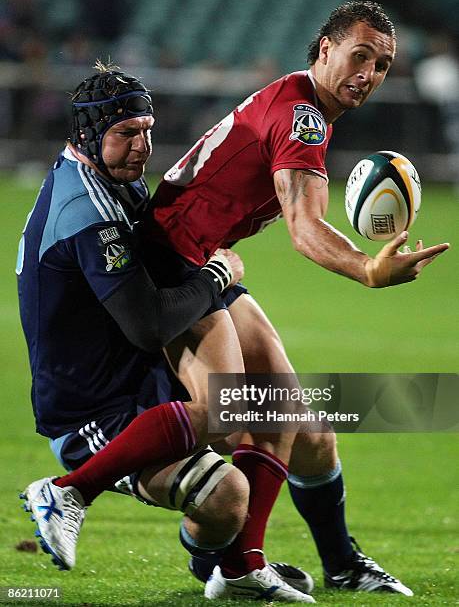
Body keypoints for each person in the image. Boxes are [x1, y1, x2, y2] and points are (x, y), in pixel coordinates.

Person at [139, 0, 449, 599]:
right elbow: (305, 228)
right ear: (326, 49)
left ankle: (334, 563)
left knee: (309, 429)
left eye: (383, 65)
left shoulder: (300, 104)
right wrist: (368, 268)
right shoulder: (303, 114)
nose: (370, 74)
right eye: (360, 56)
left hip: (200, 262)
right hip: (175, 272)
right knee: (244, 423)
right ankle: (216, 557)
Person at [17, 63, 315, 603]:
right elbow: (150, 322)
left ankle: (239, 568)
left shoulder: (109, 184)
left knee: (272, 406)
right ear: (87, 134)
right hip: (91, 410)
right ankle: (67, 492)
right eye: (126, 133)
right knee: (227, 487)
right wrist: (217, 276)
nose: (143, 146)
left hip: (131, 379)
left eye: (148, 129)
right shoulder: (90, 211)